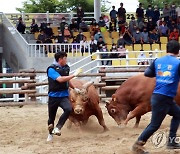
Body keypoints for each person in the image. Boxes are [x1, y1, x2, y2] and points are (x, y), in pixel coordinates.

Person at [132, 40, 180, 153]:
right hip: (164, 98)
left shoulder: (158, 61)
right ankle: (138, 144)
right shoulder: (178, 63)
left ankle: (171, 141)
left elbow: (147, 73)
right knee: (154, 125)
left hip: (160, 97)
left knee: (178, 114)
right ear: (178, 51)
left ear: (166, 50)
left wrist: (160, 72)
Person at [46, 51, 82, 142]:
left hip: (64, 95)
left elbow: (67, 80)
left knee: (68, 109)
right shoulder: (51, 69)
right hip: (53, 96)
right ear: (60, 59)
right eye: (65, 58)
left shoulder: (66, 68)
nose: (66, 60)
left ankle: (58, 128)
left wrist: (74, 88)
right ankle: (50, 134)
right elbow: (60, 79)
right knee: (51, 118)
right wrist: (74, 75)